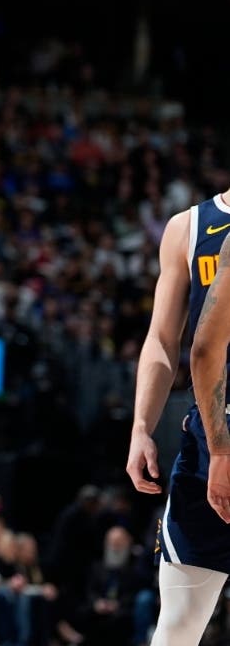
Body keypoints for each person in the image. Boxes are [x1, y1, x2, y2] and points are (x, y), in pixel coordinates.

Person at [125, 190, 230, 645]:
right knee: (180, 623)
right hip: (214, 430)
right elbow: (163, 339)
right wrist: (141, 426)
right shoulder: (188, 226)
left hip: (215, 441)